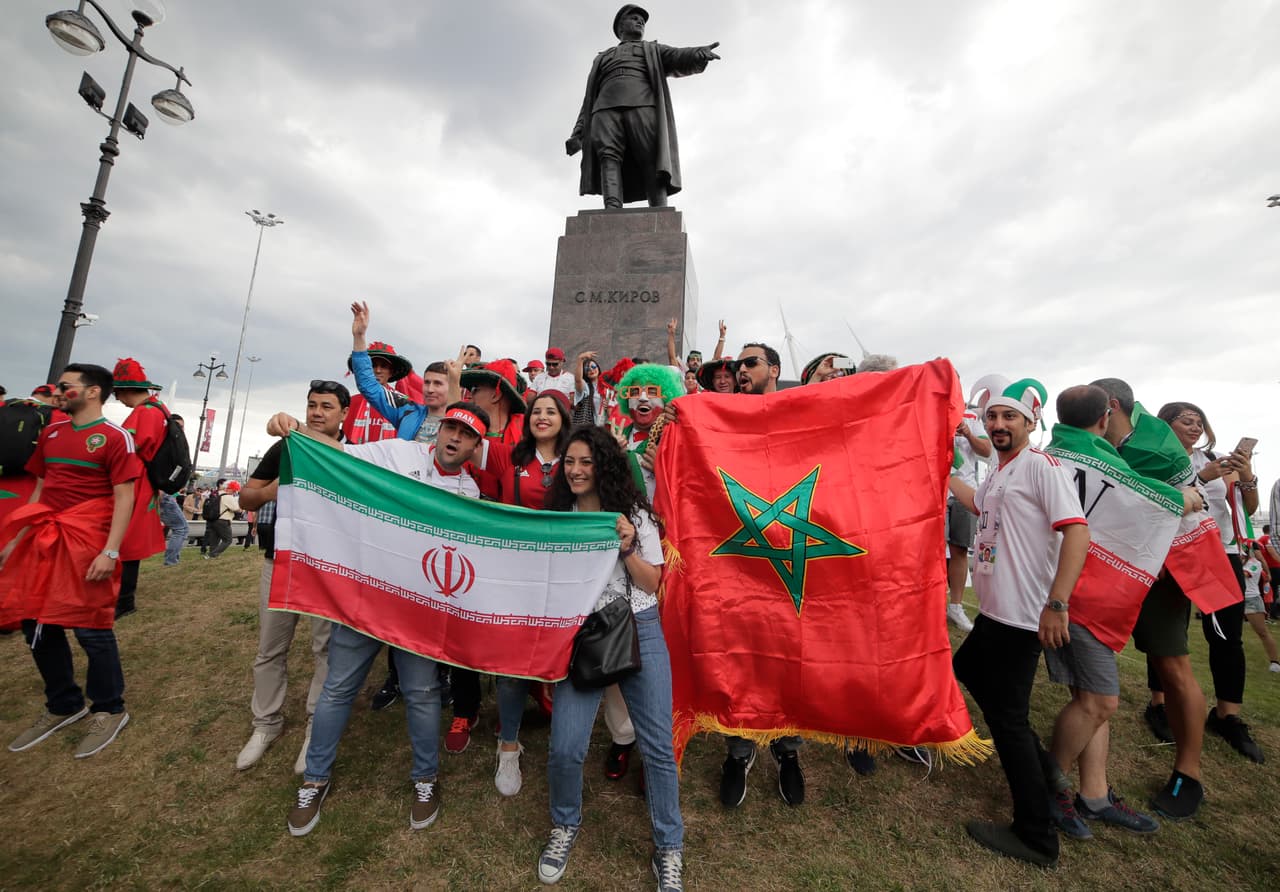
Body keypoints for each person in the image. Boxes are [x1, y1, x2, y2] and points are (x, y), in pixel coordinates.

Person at [267, 401, 491, 837]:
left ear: (475, 448)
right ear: (440, 429)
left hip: (417, 610)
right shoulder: (398, 452)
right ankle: (314, 779)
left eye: (466, 435)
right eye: (451, 427)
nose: (455, 438)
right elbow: (338, 454)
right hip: (366, 595)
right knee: (338, 688)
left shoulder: (469, 494)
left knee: (422, 692)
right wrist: (294, 428)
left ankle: (425, 778)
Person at [948, 377, 1088, 868]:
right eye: (992, 417)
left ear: (1031, 422)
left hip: (1024, 615)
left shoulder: (1041, 467)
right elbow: (977, 505)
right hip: (995, 611)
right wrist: (940, 472)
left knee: (1008, 720)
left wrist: (1057, 604)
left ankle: (1036, 835)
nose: (999, 424)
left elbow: (1077, 532)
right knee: (967, 671)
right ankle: (1046, 773)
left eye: (1010, 417)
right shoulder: (999, 471)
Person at [537, 426, 684, 890]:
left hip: (639, 627)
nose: (576, 470)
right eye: (569, 462)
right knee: (565, 747)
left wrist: (627, 548)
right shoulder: (557, 516)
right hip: (583, 635)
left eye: (586, 461)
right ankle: (564, 824)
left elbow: (652, 583)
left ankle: (669, 848)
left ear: (604, 465)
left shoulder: (635, 515)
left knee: (658, 747)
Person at [1040, 385, 1186, 841]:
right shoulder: (1099, 460)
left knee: (1090, 699)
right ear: (1105, 418)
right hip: (1080, 599)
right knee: (1100, 702)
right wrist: (1188, 498)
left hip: (1064, 594)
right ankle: (1047, 790)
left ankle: (1095, 795)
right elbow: (1152, 498)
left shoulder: (1051, 457)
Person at [1, 363, 139, 758]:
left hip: (87, 541)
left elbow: (125, 497)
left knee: (90, 626)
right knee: (35, 622)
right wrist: (18, 538)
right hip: (45, 538)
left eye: (66, 386)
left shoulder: (115, 437)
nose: (59, 391)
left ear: (93, 392)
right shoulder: (51, 433)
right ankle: (63, 703)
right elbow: (41, 489)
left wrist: (110, 551)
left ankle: (109, 708)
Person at [1091, 378, 1208, 818]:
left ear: (1111, 407)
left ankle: (1188, 773)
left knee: (1172, 665)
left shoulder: (1155, 446)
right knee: (1094, 655)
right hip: (1119, 564)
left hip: (1164, 570)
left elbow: (1191, 508)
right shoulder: (1115, 439)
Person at [233, 381, 346, 774]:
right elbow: (245, 497)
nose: (317, 412)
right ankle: (265, 723)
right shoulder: (285, 448)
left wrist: (296, 427)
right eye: (312, 405)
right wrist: (270, 492)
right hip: (281, 561)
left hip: (327, 567)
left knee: (325, 650)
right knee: (270, 647)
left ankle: (317, 725)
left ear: (343, 414)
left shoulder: (351, 453)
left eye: (326, 406)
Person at [717, 342, 806, 807]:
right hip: (740, 557)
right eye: (737, 364)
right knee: (742, 654)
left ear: (774, 369)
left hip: (793, 550)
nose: (740, 369)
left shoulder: (799, 412)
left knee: (790, 653)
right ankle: (738, 750)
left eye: (750, 362)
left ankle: (788, 750)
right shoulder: (722, 416)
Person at [1157, 401, 1261, 764]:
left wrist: (1246, 474)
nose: (1195, 427)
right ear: (1165, 424)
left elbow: (1247, 509)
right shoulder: (1159, 460)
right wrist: (1201, 477)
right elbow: (1158, 501)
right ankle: (1159, 704)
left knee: (1228, 635)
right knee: (1168, 631)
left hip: (1220, 551)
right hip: (1175, 550)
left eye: (1199, 422)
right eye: (1186, 421)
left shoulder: (1214, 459)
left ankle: (1227, 715)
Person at [567, 4, 720, 210]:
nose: (640, 22)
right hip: (604, 110)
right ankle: (612, 208)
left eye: (642, 21)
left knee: (651, 157)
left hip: (642, 105)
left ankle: (659, 211)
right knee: (608, 157)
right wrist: (578, 133)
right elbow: (589, 100)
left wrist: (698, 53)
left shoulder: (652, 49)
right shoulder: (602, 57)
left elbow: (677, 56)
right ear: (620, 26)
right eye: (634, 18)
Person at [111, 359, 169, 616]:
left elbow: (129, 448)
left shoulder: (144, 412)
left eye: (117, 393)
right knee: (129, 540)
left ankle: (123, 600)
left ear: (124, 390)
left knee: (125, 540)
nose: (117, 399)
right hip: (145, 481)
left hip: (135, 479)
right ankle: (123, 599)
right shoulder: (159, 409)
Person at [946, 385, 993, 632]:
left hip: (964, 492)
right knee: (930, 552)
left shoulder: (970, 416)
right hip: (933, 491)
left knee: (960, 549)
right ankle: (930, 603)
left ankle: (955, 606)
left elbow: (986, 450)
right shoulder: (924, 409)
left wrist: (966, 432)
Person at [1239, 540, 1279, 672]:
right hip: (1237, 599)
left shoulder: (1255, 564)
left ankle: (1275, 662)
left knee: (1262, 632)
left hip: (1251, 600)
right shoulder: (1239, 562)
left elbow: (1243, 574)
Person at [571, 351, 608, 426]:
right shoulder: (586, 387)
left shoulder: (607, 386)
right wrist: (580, 359)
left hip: (606, 427)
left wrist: (609, 405)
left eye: (593, 366)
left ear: (598, 367)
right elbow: (578, 380)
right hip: (590, 427)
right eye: (587, 369)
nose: (591, 369)